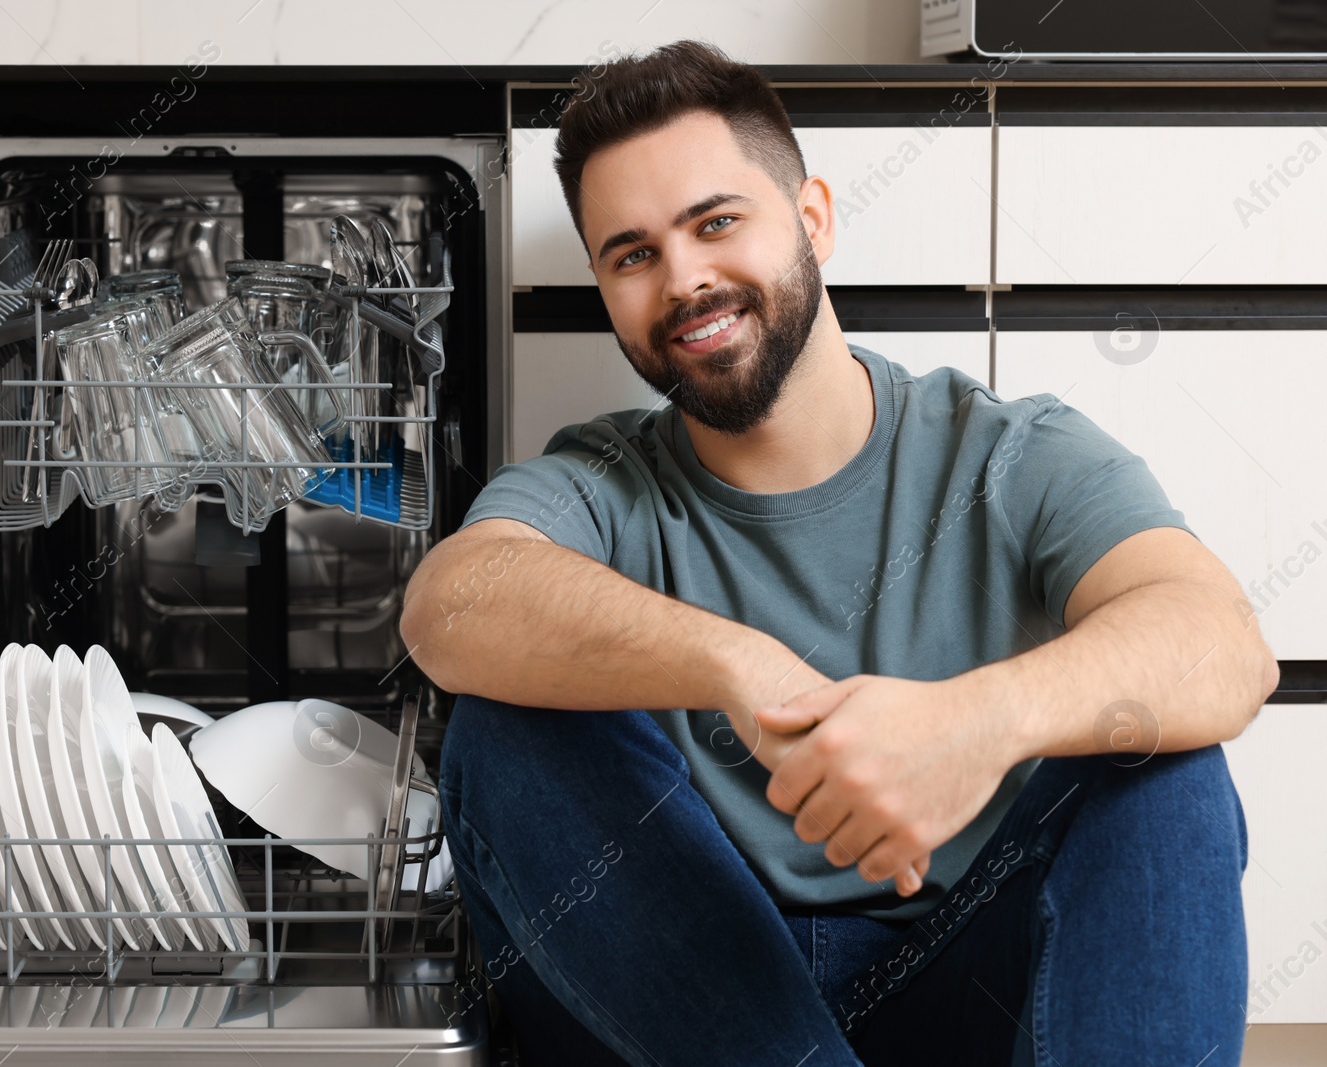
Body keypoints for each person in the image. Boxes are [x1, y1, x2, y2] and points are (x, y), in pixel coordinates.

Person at [400, 40, 1279, 1066]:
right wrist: (743, 667)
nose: (684, 279)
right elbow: (448, 606)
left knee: (1161, 764)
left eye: (715, 222)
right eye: (632, 255)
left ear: (811, 217)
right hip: (673, 996)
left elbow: (1221, 645)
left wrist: (974, 724)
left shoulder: (1009, 451)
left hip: (963, 979)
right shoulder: (597, 482)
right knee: (504, 733)